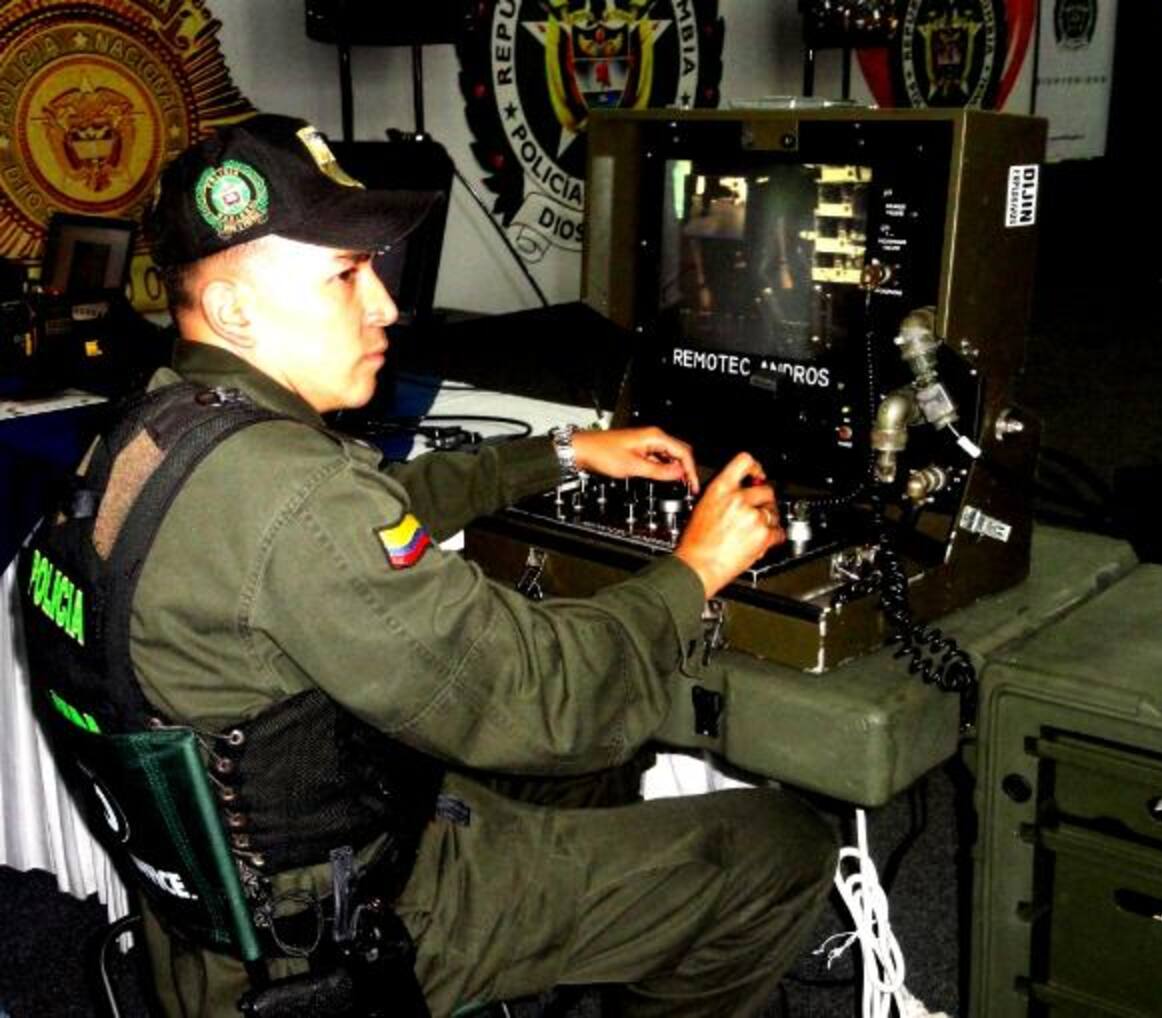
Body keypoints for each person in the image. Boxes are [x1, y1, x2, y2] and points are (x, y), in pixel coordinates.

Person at [120, 114, 836, 1016]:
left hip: (230, 903)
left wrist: (566, 453)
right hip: (347, 928)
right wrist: (695, 568)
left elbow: (377, 510)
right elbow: (546, 697)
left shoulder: (159, 428)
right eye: (346, 275)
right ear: (235, 312)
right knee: (775, 847)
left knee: (597, 765)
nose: (385, 304)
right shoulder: (295, 501)